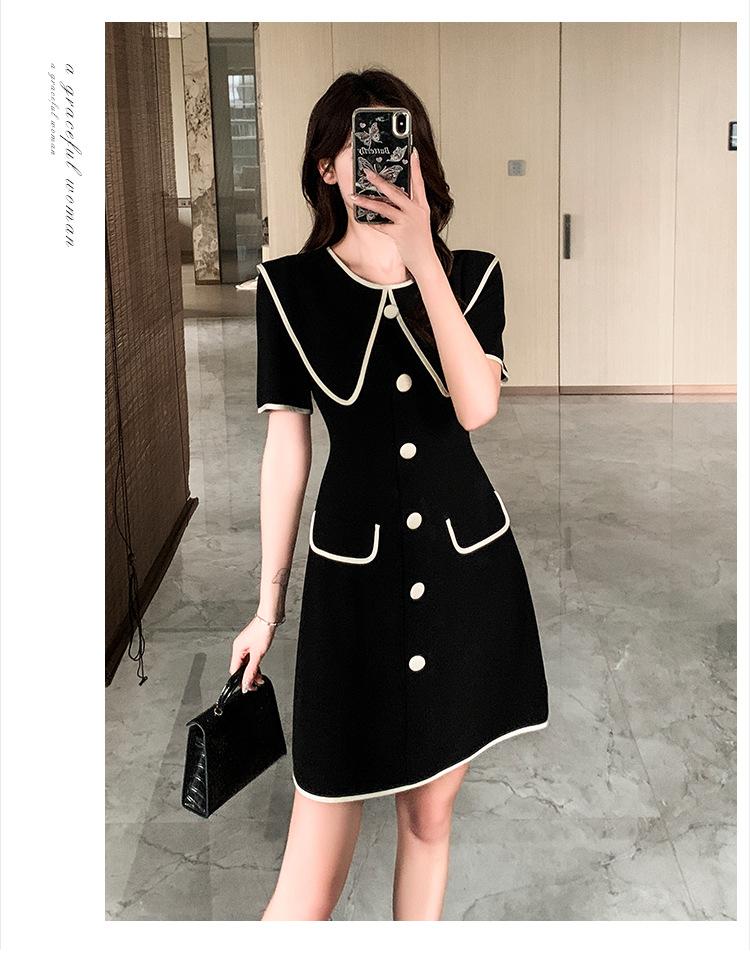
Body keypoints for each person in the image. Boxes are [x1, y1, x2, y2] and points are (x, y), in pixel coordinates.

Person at [230, 68, 549, 921]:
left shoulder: (473, 276)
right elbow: (286, 449)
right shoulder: (288, 290)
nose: (382, 164)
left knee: (429, 818)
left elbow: (476, 407)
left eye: (398, 146)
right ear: (327, 167)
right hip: (352, 586)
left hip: (466, 577)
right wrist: (266, 609)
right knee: (312, 861)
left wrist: (420, 257)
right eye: (361, 147)